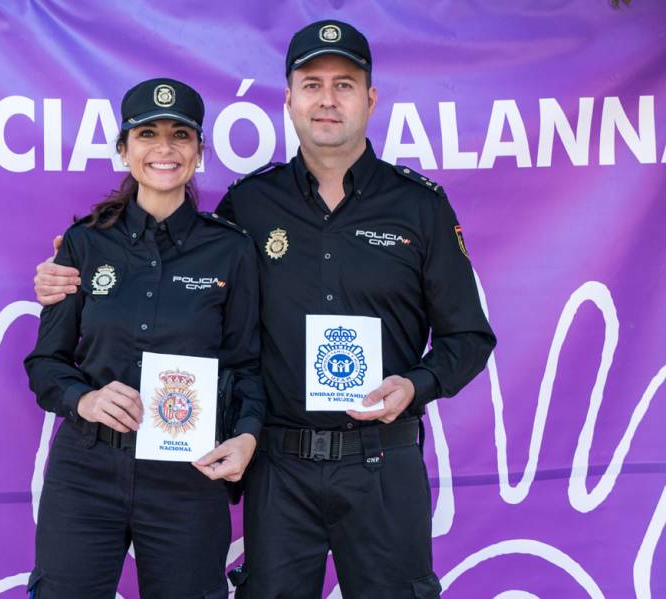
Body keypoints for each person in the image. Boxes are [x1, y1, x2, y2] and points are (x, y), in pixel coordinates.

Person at [35, 20, 496, 599]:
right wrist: (68, 271)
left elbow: (469, 338)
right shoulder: (249, 207)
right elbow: (200, 302)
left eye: (345, 84)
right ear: (289, 98)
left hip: (384, 459)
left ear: (371, 98)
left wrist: (418, 383)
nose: (327, 99)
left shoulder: (419, 206)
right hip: (279, 467)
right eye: (311, 84)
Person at [25, 77, 264, 599]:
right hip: (87, 470)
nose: (164, 148)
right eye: (147, 134)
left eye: (180, 135)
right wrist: (83, 398)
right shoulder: (84, 244)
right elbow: (46, 364)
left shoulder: (230, 251)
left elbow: (248, 365)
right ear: (123, 149)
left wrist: (247, 435)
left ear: (199, 152)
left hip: (189, 475)